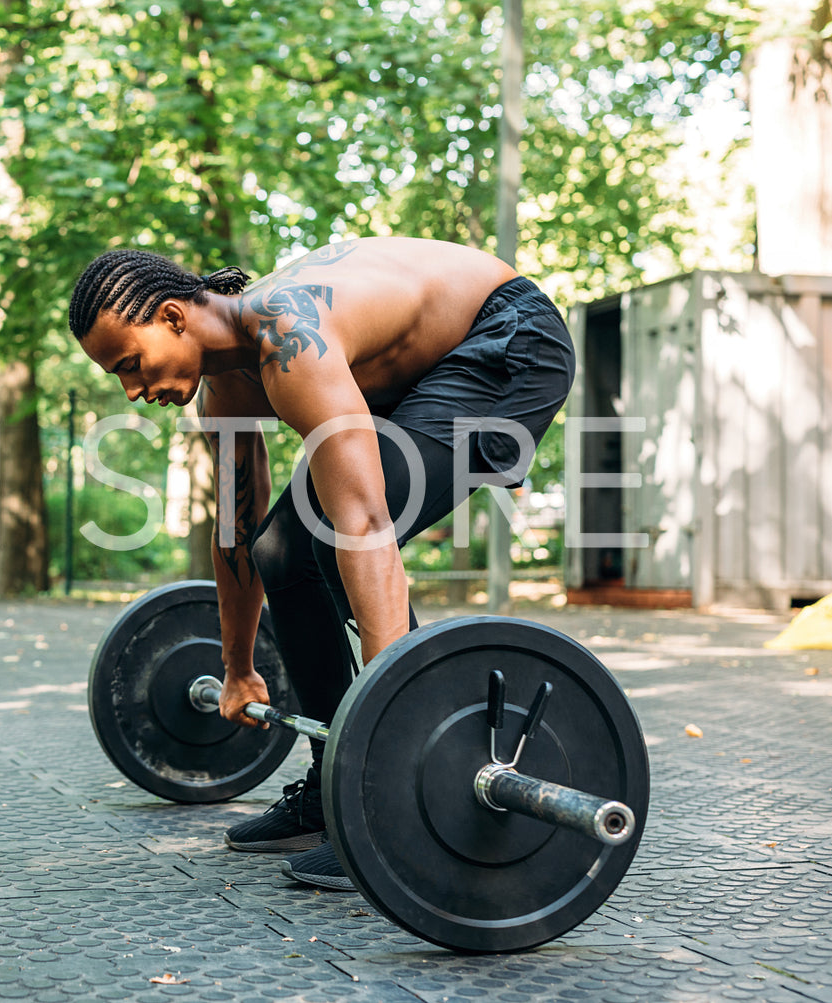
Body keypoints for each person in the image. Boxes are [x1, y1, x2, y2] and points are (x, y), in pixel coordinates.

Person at [67, 237, 575, 889]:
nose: (132, 390)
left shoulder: (287, 337)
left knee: (340, 537)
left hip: (505, 341)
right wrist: (237, 668)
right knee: (282, 548)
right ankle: (333, 788)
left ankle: (392, 795)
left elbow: (364, 526)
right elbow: (239, 532)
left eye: (129, 364)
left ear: (171, 317)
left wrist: (384, 745)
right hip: (419, 375)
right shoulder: (225, 388)